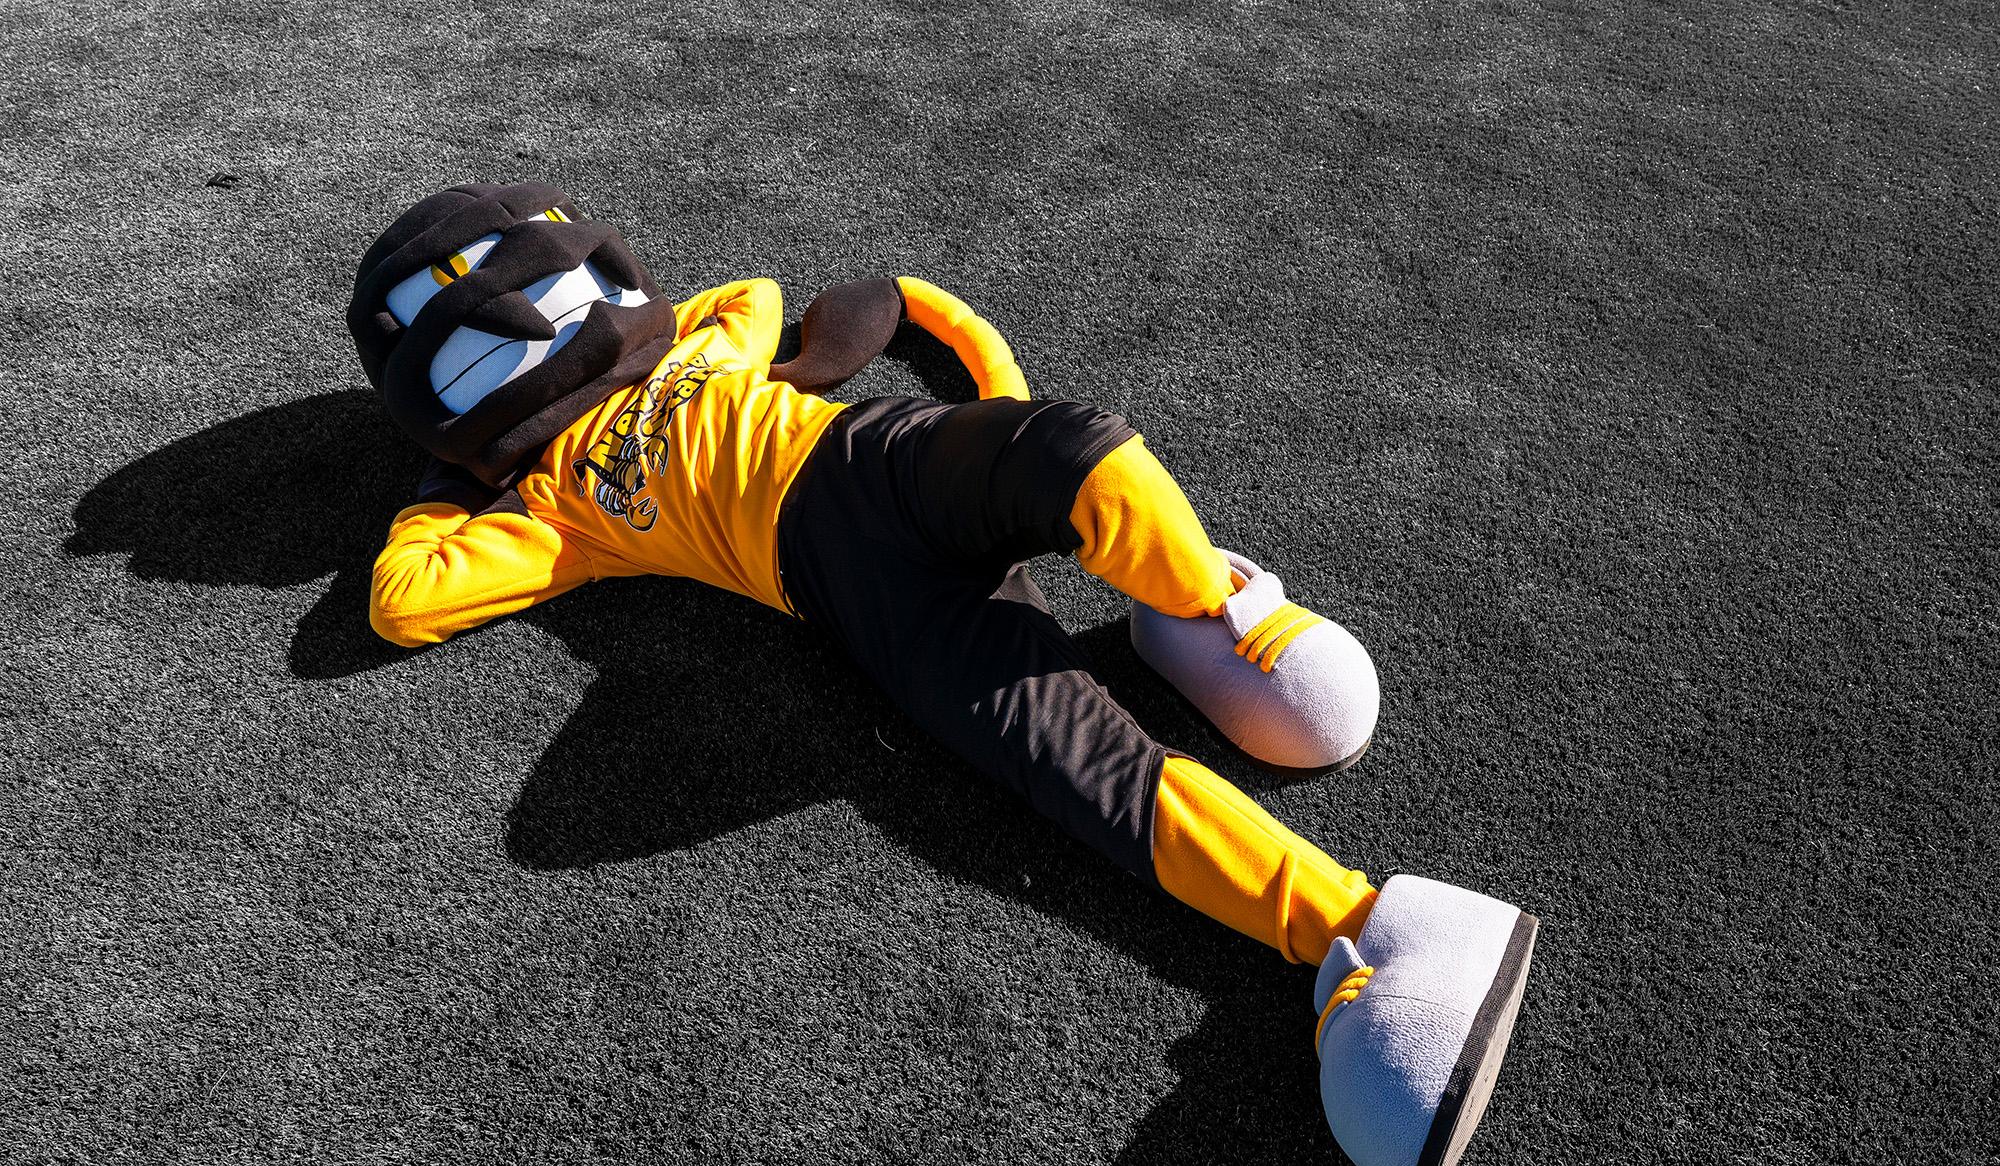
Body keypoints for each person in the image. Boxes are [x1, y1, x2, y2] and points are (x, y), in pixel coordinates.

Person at [348, 181, 1537, 1166]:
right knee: (1079, 772)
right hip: (856, 602)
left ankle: (1216, 610)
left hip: (873, 461)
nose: (549, 337)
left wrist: (903, 352)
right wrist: (460, 486)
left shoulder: (703, 345)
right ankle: (1358, 928)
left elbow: (771, 303)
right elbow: (404, 601)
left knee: (1073, 449)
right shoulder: (559, 505)